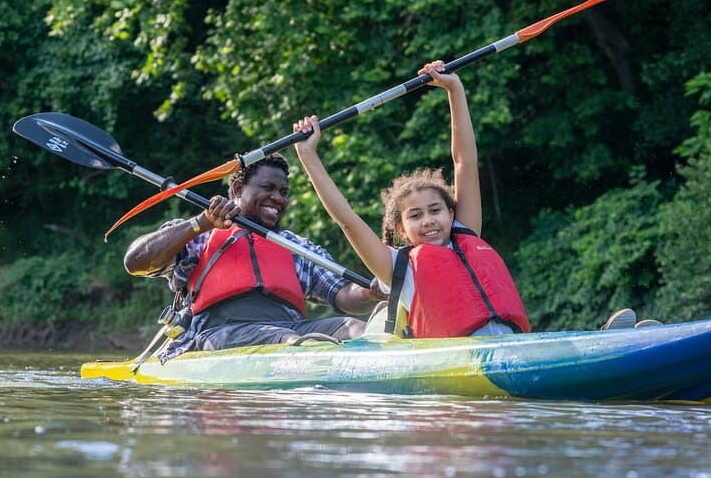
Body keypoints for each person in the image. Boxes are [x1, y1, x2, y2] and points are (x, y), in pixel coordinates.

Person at [293, 60, 529, 339]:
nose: (429, 221)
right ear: (401, 229)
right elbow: (348, 220)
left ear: (451, 214)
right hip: (461, 361)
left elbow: (464, 161)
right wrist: (308, 156)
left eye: (435, 210)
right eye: (415, 216)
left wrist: (455, 89)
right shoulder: (395, 267)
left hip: (512, 343)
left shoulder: (465, 231)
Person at [122, 153, 382, 360]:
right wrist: (201, 222)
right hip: (216, 333)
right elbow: (135, 262)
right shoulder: (199, 234)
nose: (277, 198)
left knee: (355, 329)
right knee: (283, 337)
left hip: (291, 330)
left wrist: (371, 293)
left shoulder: (296, 246)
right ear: (237, 187)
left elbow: (342, 295)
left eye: (283, 192)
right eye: (268, 187)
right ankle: (313, 356)